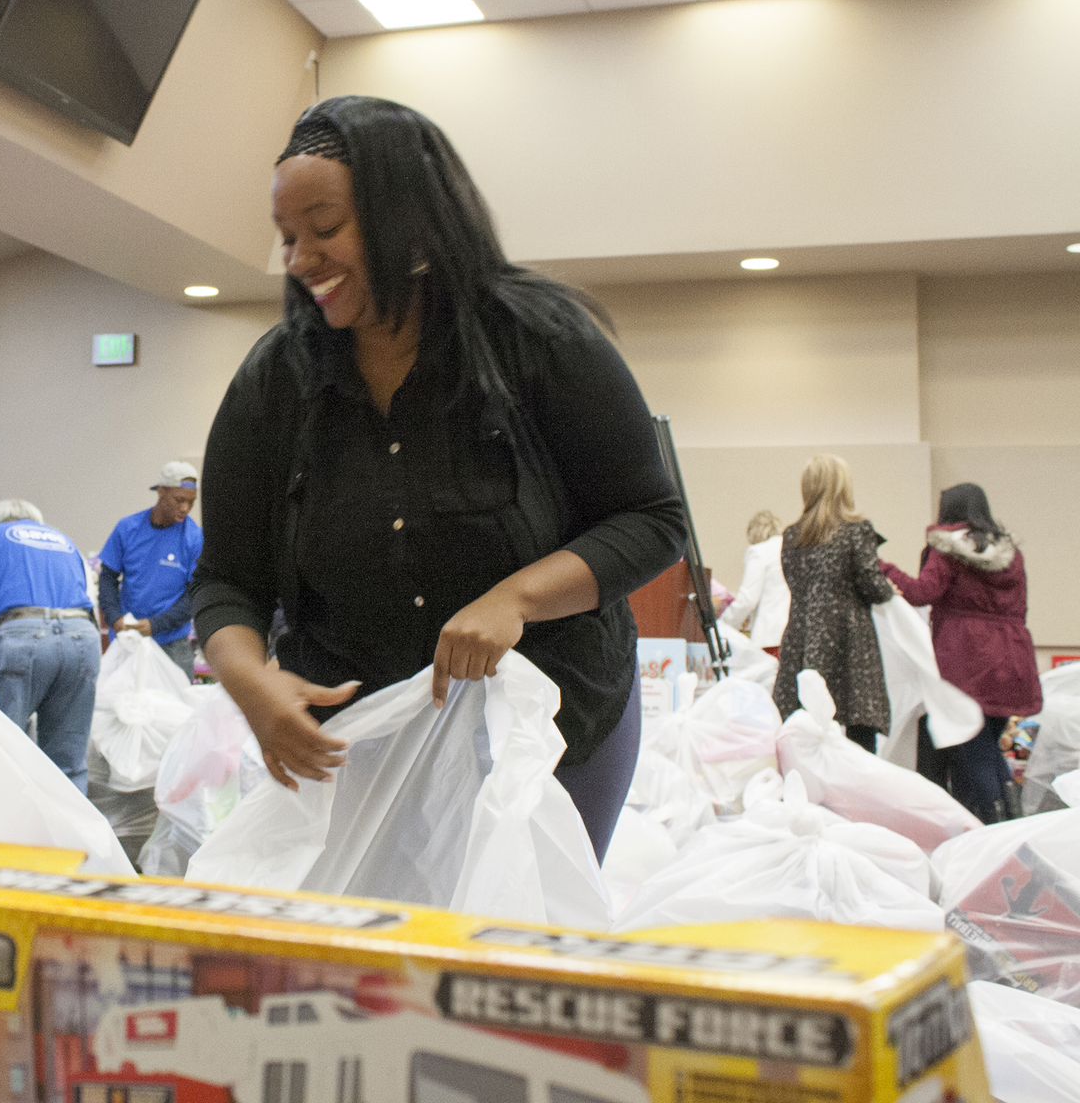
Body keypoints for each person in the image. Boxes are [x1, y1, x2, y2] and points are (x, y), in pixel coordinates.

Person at [190, 96, 687, 864]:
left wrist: (515, 599)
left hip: (552, 726)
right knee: (382, 972)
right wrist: (247, 679)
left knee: (510, 960)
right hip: (365, 740)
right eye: (288, 238)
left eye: (326, 230)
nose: (299, 259)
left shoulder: (541, 343)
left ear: (408, 216)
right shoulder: (275, 383)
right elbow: (227, 577)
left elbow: (651, 520)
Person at [881, 483, 1039, 822]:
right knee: (987, 750)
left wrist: (885, 569)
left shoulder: (947, 548)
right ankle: (1003, 824)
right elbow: (1021, 608)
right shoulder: (1011, 553)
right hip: (1012, 659)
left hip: (967, 660)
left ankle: (997, 828)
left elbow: (922, 592)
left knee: (972, 751)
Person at [0, 500, 101, 792]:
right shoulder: (64, 541)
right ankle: (69, 836)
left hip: (21, 634)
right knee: (68, 764)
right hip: (83, 636)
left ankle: (2, 833)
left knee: (1, 752)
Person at [773, 455, 895, 749]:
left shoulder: (791, 535)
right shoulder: (856, 530)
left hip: (803, 635)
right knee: (858, 726)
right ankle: (857, 791)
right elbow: (872, 586)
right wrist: (889, 588)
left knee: (806, 722)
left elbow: (794, 581)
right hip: (849, 637)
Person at [97, 462, 204, 676]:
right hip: (128, 641)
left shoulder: (194, 538)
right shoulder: (128, 528)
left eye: (191, 502)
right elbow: (108, 578)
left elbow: (195, 593)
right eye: (179, 500)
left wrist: (156, 625)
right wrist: (115, 618)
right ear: (161, 491)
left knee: (176, 707)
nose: (185, 508)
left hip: (172, 644)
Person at [719, 509, 790, 656]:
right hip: (793, 636)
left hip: (770, 637)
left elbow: (747, 599)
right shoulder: (791, 549)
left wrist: (722, 626)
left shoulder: (759, 551)